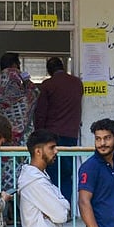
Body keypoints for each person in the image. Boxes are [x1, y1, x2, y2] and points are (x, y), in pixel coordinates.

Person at [35, 57, 83, 203]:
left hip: (51, 137)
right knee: (67, 173)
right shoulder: (77, 84)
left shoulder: (48, 85)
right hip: (71, 135)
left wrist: (38, 135)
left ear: (49, 70)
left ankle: (55, 208)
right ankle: (66, 208)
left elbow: (40, 113)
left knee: (52, 173)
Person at [0, 52, 39, 195]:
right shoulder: (17, 78)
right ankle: (16, 211)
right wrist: (26, 79)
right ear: (15, 65)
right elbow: (34, 94)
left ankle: (6, 210)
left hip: (2, 141)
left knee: (2, 176)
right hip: (20, 142)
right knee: (20, 177)